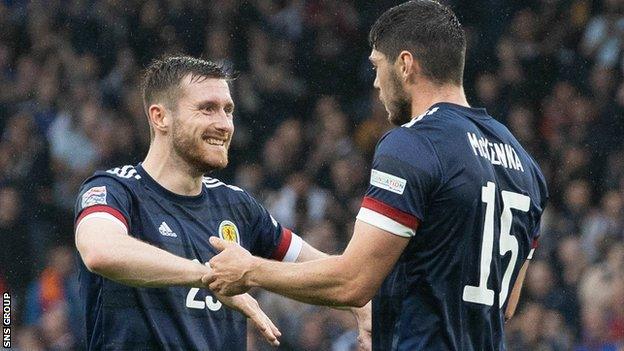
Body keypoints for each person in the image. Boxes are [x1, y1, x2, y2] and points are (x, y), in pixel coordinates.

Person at [207, 1, 549, 350]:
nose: (375, 82)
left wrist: (250, 270)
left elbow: (353, 282)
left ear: (404, 64)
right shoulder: (526, 165)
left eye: (376, 66)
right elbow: (505, 305)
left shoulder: (413, 144)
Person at [73, 56, 370, 351]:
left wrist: (361, 304)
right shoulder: (115, 190)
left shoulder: (237, 205)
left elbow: (325, 271)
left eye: (228, 110)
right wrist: (208, 276)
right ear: (160, 117)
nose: (224, 124)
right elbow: (101, 251)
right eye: (207, 109)